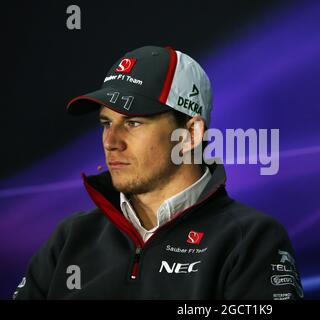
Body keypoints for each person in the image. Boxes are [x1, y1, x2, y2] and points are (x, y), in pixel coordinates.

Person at [13, 45, 303, 300]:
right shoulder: (71, 237)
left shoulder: (249, 240)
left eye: (133, 123)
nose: (111, 142)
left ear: (190, 133)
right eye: (106, 123)